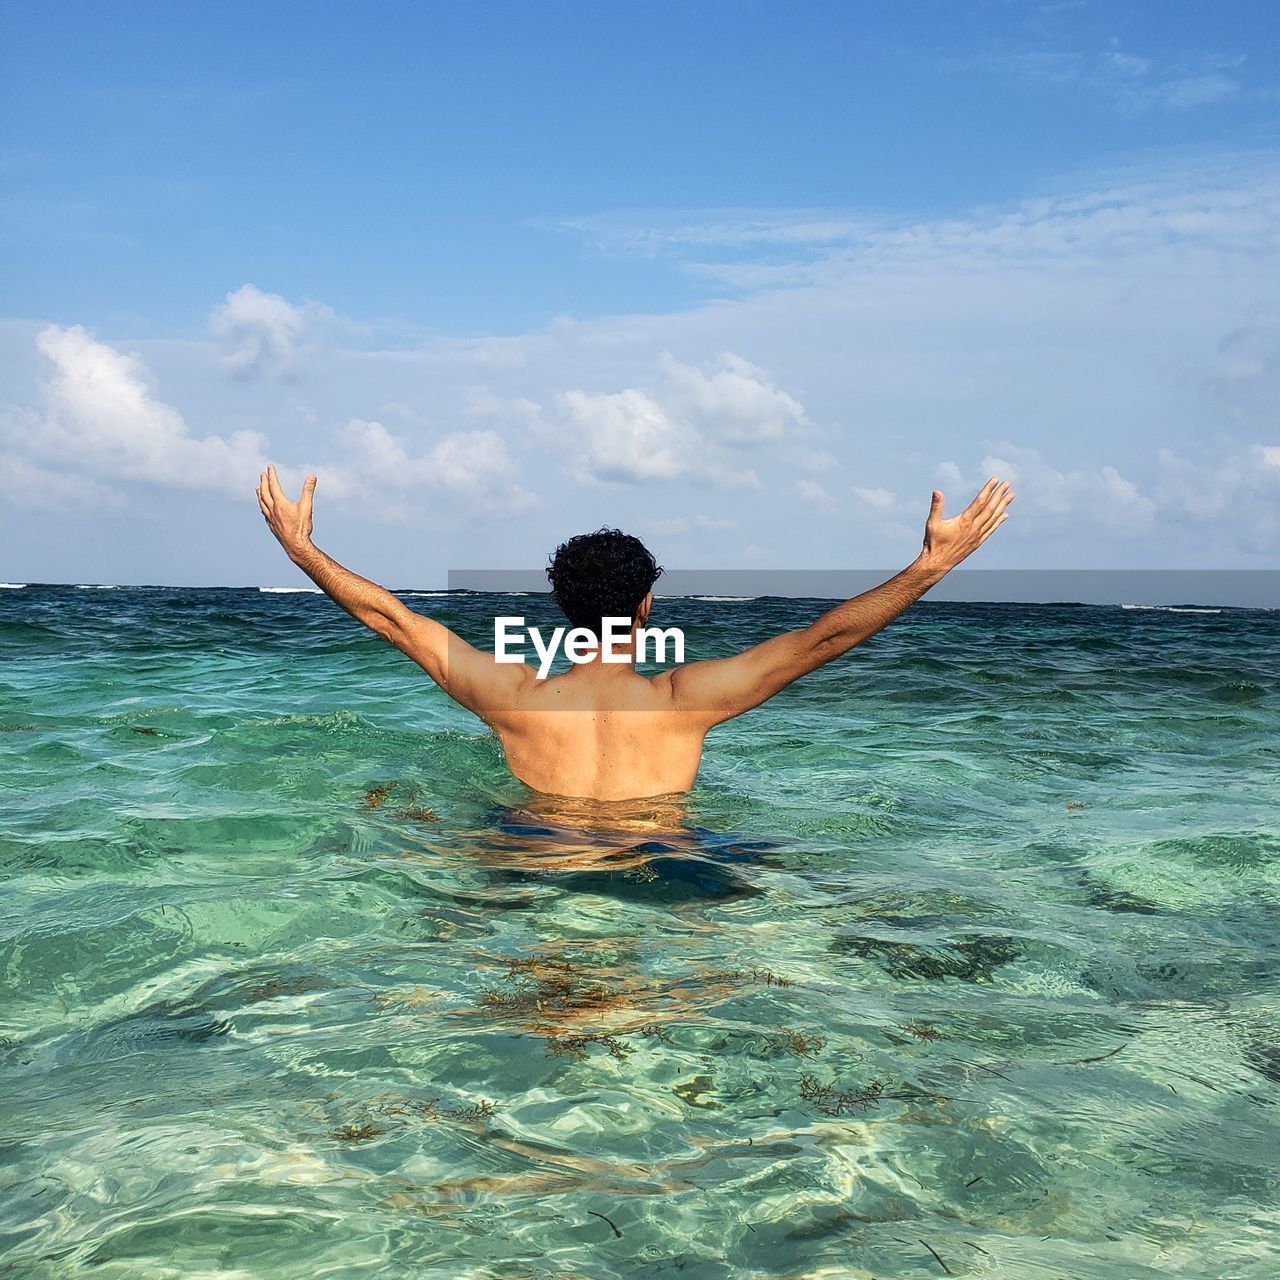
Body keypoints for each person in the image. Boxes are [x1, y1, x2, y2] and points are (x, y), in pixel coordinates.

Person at [256, 465, 1013, 801]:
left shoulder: (511, 694)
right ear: (648, 606)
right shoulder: (687, 698)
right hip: (660, 862)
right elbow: (823, 640)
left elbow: (396, 621)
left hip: (535, 864)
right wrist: (927, 568)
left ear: (560, 605)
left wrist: (303, 552)